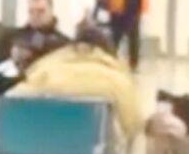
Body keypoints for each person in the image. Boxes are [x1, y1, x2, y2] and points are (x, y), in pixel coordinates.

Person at [8, 22, 141, 143]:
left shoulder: (45, 69)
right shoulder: (116, 80)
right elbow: (132, 125)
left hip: (42, 142)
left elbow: (14, 98)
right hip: (92, 149)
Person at [0, 0, 71, 68]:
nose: (35, 16)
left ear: (51, 11)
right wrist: (11, 58)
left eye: (41, 11)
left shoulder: (64, 44)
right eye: (31, 11)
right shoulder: (12, 37)